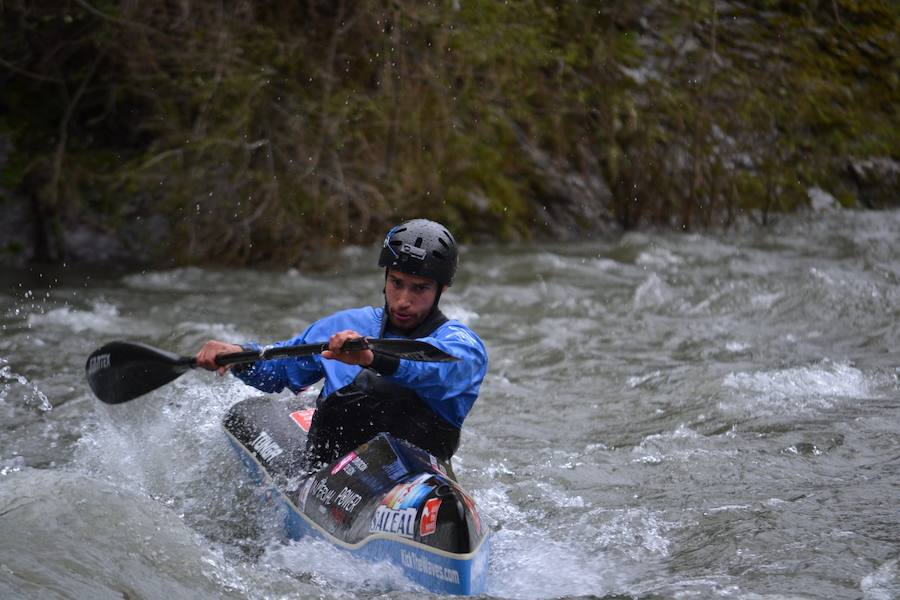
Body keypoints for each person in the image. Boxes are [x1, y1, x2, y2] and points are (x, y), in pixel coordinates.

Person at [196, 219, 488, 469]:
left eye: (420, 289)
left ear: (442, 289)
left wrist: (372, 359)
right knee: (357, 394)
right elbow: (282, 371)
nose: (403, 300)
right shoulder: (347, 325)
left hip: (410, 471)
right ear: (385, 277)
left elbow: (439, 368)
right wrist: (239, 357)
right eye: (396, 283)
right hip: (328, 465)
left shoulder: (459, 344)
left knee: (375, 386)